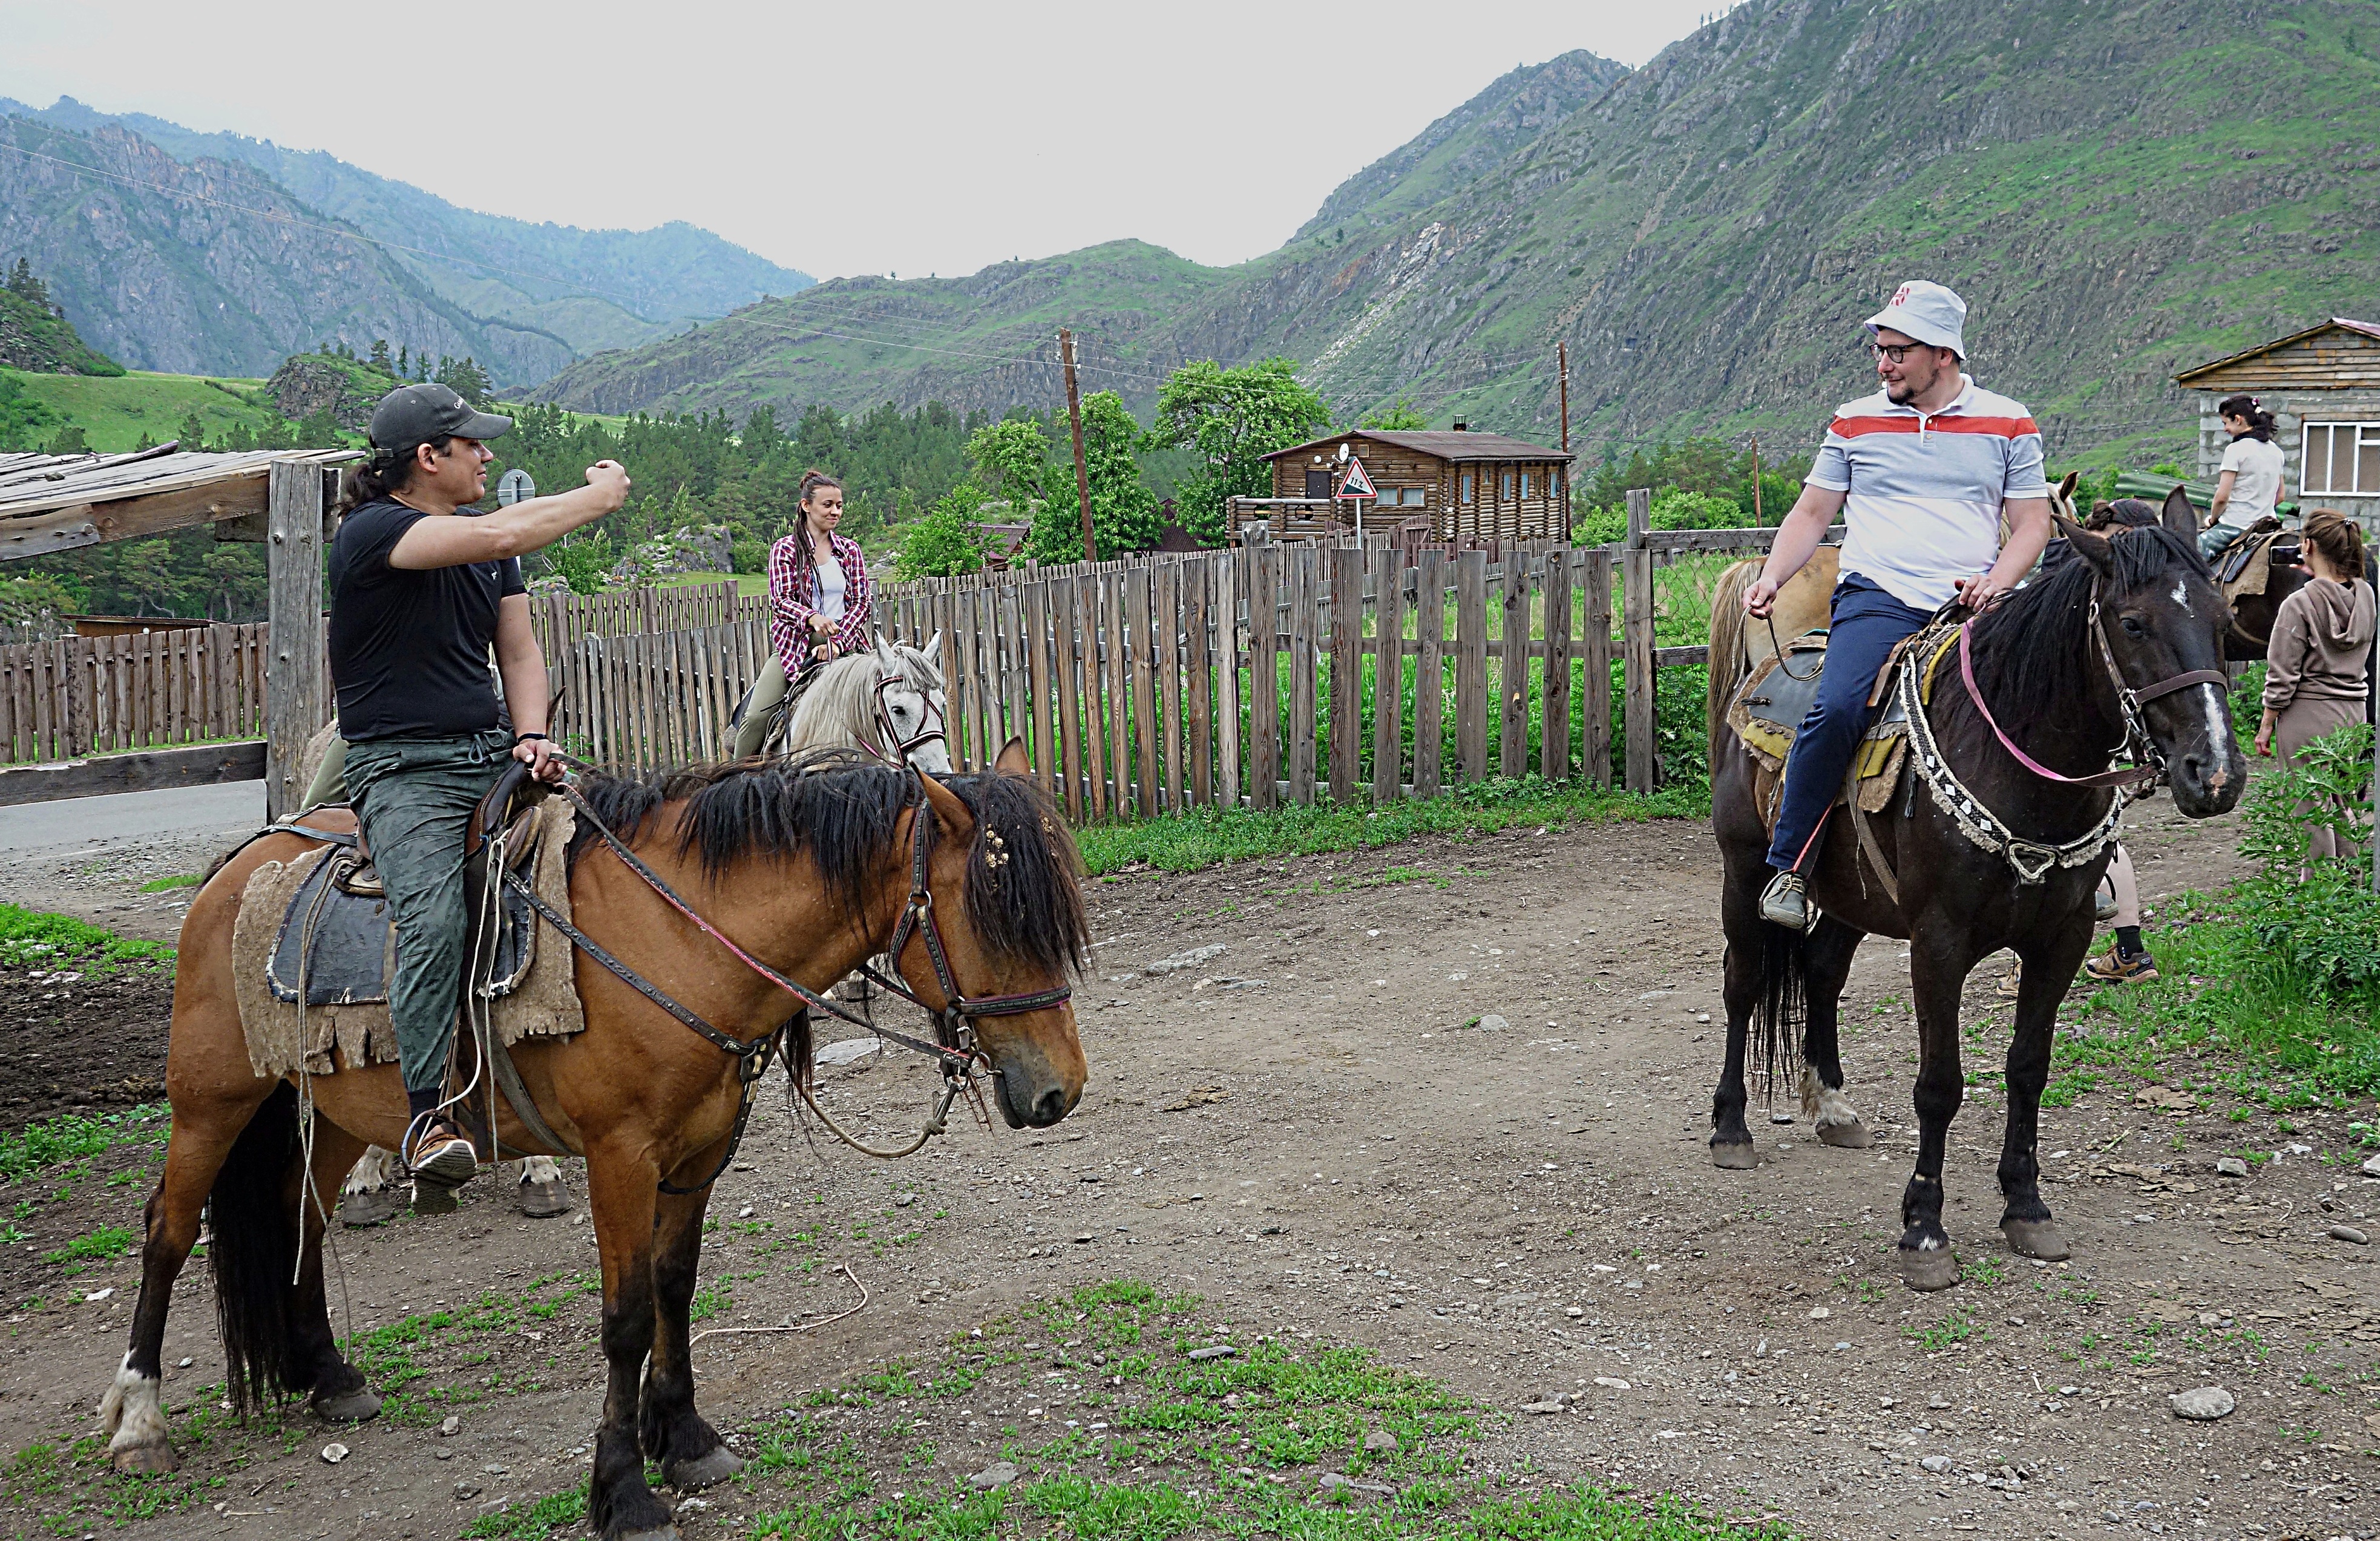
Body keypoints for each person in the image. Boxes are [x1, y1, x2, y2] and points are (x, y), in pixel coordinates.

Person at [328, 382, 629, 1193]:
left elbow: (520, 650)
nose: (488, 455)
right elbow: (498, 527)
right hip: (405, 768)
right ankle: (425, 1115)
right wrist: (597, 497)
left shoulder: (490, 549)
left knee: (613, 852)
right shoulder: (373, 532)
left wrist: (531, 733)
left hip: (491, 749)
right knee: (433, 916)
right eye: (473, 445)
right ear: (428, 458)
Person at [1743, 280, 2053, 929]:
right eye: (1879, 350)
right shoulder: (1853, 421)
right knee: (1836, 708)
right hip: (1880, 597)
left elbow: (2031, 524)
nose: (1883, 363)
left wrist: (1997, 581)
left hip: (1978, 603)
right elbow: (1811, 512)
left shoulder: (2010, 421)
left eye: (1897, 351)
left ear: (1942, 353)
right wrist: (1774, 576)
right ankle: (1791, 868)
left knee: (2054, 702)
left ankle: (2082, 860)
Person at [2254, 509, 2375, 865]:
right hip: (2354, 714)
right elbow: (2336, 596)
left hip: (2307, 717)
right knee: (2340, 801)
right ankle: (2350, 884)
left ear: (2306, 546)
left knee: (2310, 809)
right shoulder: (2367, 595)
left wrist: (2266, 724)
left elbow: (2283, 673)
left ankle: (2315, 891)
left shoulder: (2299, 604)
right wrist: (2319, 577)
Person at [732, 470, 875, 759]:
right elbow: (781, 600)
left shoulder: (850, 550)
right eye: (828, 505)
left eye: (839, 505)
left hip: (847, 645)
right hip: (796, 646)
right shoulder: (785, 549)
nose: (835, 511)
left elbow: (862, 603)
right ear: (806, 506)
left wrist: (837, 642)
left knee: (888, 705)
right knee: (756, 719)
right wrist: (812, 618)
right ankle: (736, 782)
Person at [2200, 394, 2288, 563]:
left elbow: (2221, 498)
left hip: (2236, 526)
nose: (2225, 429)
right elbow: (2281, 496)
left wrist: (2212, 520)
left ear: (2238, 420)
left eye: (2226, 423)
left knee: (2188, 557)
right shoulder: (2277, 451)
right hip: (2268, 526)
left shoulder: (2236, 449)